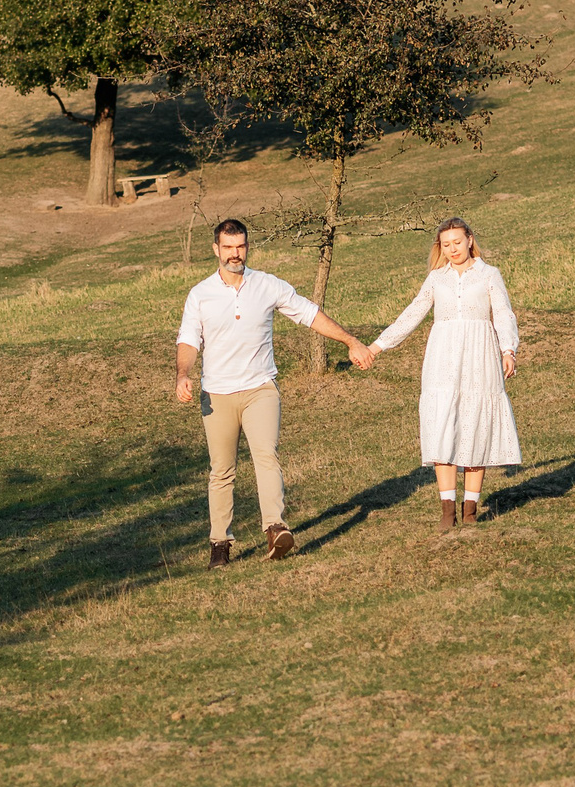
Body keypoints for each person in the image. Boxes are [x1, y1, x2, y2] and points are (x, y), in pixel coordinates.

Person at [175, 218, 374, 566]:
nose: (235, 254)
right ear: (215, 250)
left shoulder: (266, 285)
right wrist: (183, 374)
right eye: (228, 247)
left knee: (266, 456)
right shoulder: (200, 294)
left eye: (241, 247)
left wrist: (350, 340)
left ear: (247, 247)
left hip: (260, 388)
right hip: (217, 394)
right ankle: (220, 543)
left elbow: (309, 313)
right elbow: (189, 340)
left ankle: (275, 529)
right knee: (221, 470)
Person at [367, 216, 521, 531]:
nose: (452, 249)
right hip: (443, 359)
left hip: (480, 357)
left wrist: (508, 350)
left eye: (457, 242)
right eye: (446, 244)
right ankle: (447, 512)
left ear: (469, 240)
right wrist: (377, 346)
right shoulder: (437, 278)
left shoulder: (489, 274)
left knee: (477, 426)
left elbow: (503, 312)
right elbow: (413, 313)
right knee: (443, 426)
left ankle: (470, 511)